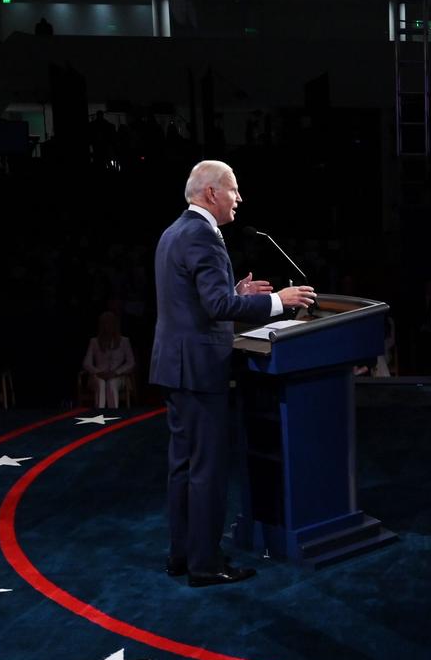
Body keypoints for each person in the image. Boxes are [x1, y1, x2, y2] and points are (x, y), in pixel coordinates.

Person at [151, 160, 315, 588]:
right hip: (201, 370)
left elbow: (200, 299)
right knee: (206, 469)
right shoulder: (204, 236)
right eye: (234, 190)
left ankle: (181, 555)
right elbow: (217, 308)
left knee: (183, 467)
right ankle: (205, 565)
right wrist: (278, 301)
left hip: (174, 366)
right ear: (211, 194)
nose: (239, 198)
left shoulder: (173, 233)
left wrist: (236, 292)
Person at [82, 311, 135, 408]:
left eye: (110, 323)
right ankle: (99, 414)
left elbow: (131, 363)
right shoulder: (94, 341)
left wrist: (116, 372)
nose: (107, 326)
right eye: (104, 324)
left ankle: (113, 415)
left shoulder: (124, 341)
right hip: (98, 376)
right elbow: (87, 363)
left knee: (111, 383)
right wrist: (98, 372)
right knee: (101, 383)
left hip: (118, 376)